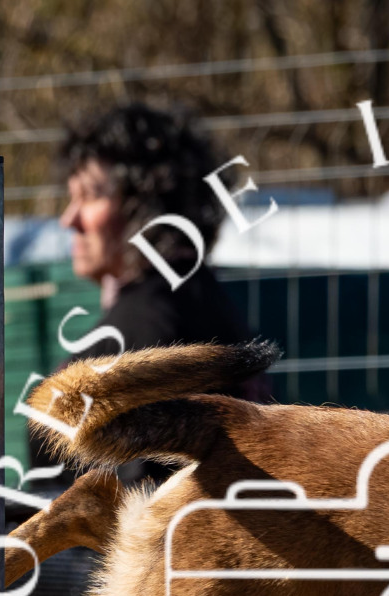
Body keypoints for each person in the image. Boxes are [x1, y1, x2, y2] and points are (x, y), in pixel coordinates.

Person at [56, 101, 268, 397]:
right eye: (72, 198)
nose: (69, 220)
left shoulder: (143, 330)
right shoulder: (202, 300)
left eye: (90, 196)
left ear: (145, 203)